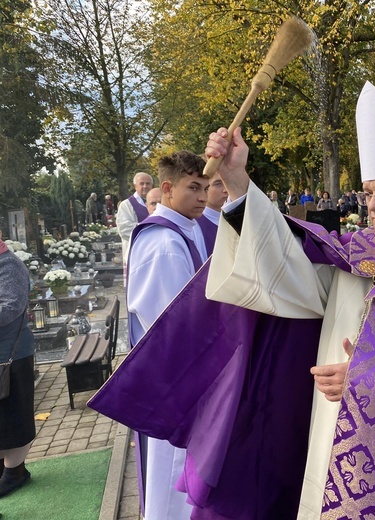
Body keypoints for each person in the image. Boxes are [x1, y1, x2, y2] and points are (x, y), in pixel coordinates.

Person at [90, 81, 375, 519]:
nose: (372, 205)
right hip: (333, 450)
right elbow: (286, 269)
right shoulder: (362, 255)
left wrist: (371, 380)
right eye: (368, 192)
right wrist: (238, 182)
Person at [127, 151, 208, 520]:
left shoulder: (186, 227)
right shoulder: (163, 243)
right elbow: (176, 324)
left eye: (206, 187)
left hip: (185, 375)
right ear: (167, 188)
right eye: (194, 187)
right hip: (176, 380)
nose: (203, 197)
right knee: (174, 476)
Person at [0, 230, 35, 498]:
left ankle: (16, 472)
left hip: (11, 356)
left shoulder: (9, 264)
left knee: (15, 417)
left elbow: (12, 306)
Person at [116, 172, 153, 267]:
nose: (145, 186)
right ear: (135, 186)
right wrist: (151, 228)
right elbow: (124, 229)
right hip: (135, 257)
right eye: (142, 183)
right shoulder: (127, 205)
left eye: (148, 183)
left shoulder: (160, 203)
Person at [197, 172, 228, 258]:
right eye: (218, 184)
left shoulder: (239, 219)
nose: (226, 189)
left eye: (227, 181)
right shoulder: (195, 225)